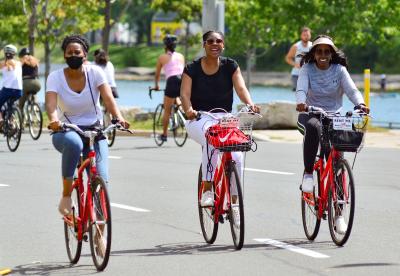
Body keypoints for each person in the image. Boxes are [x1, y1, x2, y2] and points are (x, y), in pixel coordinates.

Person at [45, 34, 129, 217]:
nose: (73, 55)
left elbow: (108, 98)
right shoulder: (55, 77)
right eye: (69, 52)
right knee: (74, 143)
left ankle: (99, 233)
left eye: (77, 52)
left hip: (94, 130)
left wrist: (119, 117)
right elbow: (51, 103)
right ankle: (66, 196)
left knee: (101, 179)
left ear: (85, 55)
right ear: (64, 55)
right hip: (66, 130)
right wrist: (53, 120)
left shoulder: (95, 73)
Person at [295, 35, 370, 233]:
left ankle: (338, 214)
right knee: (312, 127)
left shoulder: (339, 70)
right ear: (314, 53)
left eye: (326, 52)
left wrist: (360, 104)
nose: (322, 55)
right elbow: (301, 88)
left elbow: (352, 90)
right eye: (319, 51)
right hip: (313, 113)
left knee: (337, 164)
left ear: (331, 54)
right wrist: (302, 102)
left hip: (335, 116)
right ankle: (309, 174)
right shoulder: (307, 69)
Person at [181, 30, 260, 207]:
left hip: (225, 118)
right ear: (204, 45)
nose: (214, 44)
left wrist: (250, 104)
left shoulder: (230, 65)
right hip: (199, 118)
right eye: (210, 41)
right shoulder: (191, 68)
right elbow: (184, 94)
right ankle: (208, 188)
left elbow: (240, 89)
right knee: (211, 137)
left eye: (218, 41)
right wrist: (189, 110)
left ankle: (234, 202)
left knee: (238, 154)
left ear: (223, 45)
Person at [154, 34, 185, 142]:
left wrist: (156, 85)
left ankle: (164, 135)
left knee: (167, 110)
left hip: (171, 81)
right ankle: (181, 111)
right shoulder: (181, 56)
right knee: (177, 98)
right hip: (182, 80)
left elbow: (157, 74)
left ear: (165, 46)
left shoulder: (162, 57)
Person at [0, 44, 22, 126]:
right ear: (14, 54)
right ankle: (11, 122)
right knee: (11, 105)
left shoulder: (2, 64)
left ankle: (0, 119)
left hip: (7, 90)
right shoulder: (19, 63)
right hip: (19, 91)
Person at [285, 27, 312, 91]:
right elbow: (287, 58)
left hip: (309, 74)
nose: (306, 37)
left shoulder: (313, 46)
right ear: (301, 36)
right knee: (300, 93)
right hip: (297, 74)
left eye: (307, 35)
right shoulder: (296, 46)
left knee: (309, 94)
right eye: (304, 35)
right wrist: (295, 64)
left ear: (310, 36)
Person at [18, 47, 41, 112]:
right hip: (37, 83)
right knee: (34, 92)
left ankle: (21, 119)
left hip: (26, 82)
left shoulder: (22, 61)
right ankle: (35, 105)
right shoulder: (35, 60)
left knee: (21, 103)